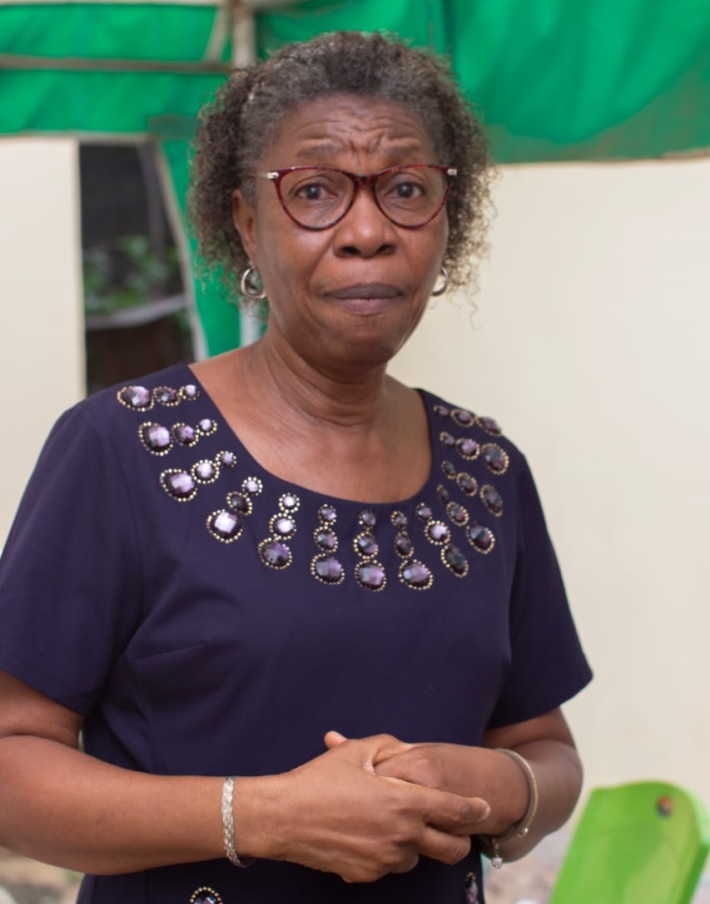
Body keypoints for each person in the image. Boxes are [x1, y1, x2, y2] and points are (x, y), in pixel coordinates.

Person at [0, 30, 591, 904]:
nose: (367, 232)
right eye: (314, 191)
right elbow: (11, 766)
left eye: (406, 190)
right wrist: (266, 816)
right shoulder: (121, 449)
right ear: (247, 223)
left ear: (448, 219)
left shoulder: (487, 471)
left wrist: (504, 789)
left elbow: (547, 746)